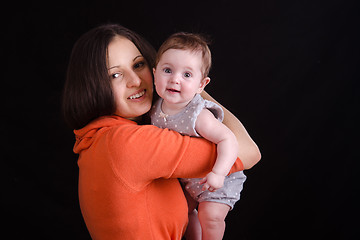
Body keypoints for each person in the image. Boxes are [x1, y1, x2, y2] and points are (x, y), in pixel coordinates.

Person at [62, 23, 261, 240]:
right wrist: (190, 89)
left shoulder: (97, 139)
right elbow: (249, 152)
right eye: (115, 75)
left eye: (138, 65)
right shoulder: (127, 142)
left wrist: (184, 84)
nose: (136, 81)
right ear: (92, 85)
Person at [151, 32, 247, 240]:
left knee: (210, 216)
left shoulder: (198, 114)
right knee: (178, 212)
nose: (175, 79)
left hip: (215, 179)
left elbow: (228, 139)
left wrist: (219, 173)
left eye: (187, 75)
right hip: (189, 182)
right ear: (154, 73)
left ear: (201, 85)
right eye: (167, 70)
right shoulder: (155, 109)